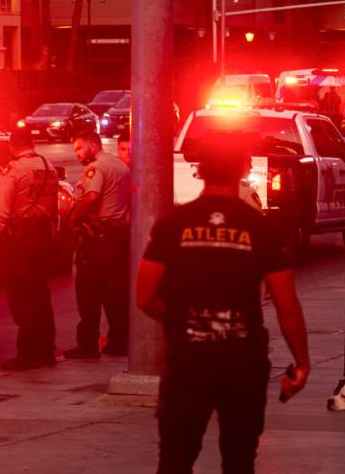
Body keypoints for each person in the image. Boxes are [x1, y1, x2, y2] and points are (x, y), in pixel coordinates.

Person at [137, 136, 309, 474]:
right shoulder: (263, 228)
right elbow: (287, 306)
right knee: (239, 457)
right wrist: (301, 364)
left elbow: (144, 296)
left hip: (188, 361)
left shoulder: (173, 225)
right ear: (245, 167)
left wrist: (183, 321)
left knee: (175, 456)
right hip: (243, 362)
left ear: (199, 170)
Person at [0, 128, 59, 370]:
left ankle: (27, 353)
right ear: (33, 143)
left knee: (22, 296)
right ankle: (46, 350)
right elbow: (54, 208)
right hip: (43, 237)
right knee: (41, 294)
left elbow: (2, 213)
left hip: (21, 239)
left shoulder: (13, 171)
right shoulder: (49, 167)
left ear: (13, 147)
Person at [64, 130, 131, 359]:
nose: (77, 155)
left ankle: (88, 345)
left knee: (88, 293)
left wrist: (74, 217)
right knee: (115, 295)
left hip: (98, 238)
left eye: (80, 148)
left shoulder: (97, 168)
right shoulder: (119, 166)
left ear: (93, 145)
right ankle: (119, 342)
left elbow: (91, 197)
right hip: (118, 237)